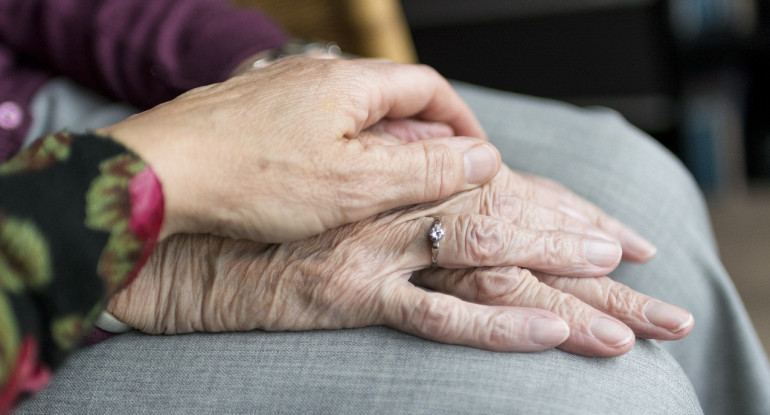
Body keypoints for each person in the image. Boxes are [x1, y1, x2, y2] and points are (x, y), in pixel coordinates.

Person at [1, 1, 768, 414]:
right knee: (596, 391)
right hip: (33, 298)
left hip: (69, 105)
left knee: (632, 183)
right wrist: (155, 246)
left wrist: (275, 80)